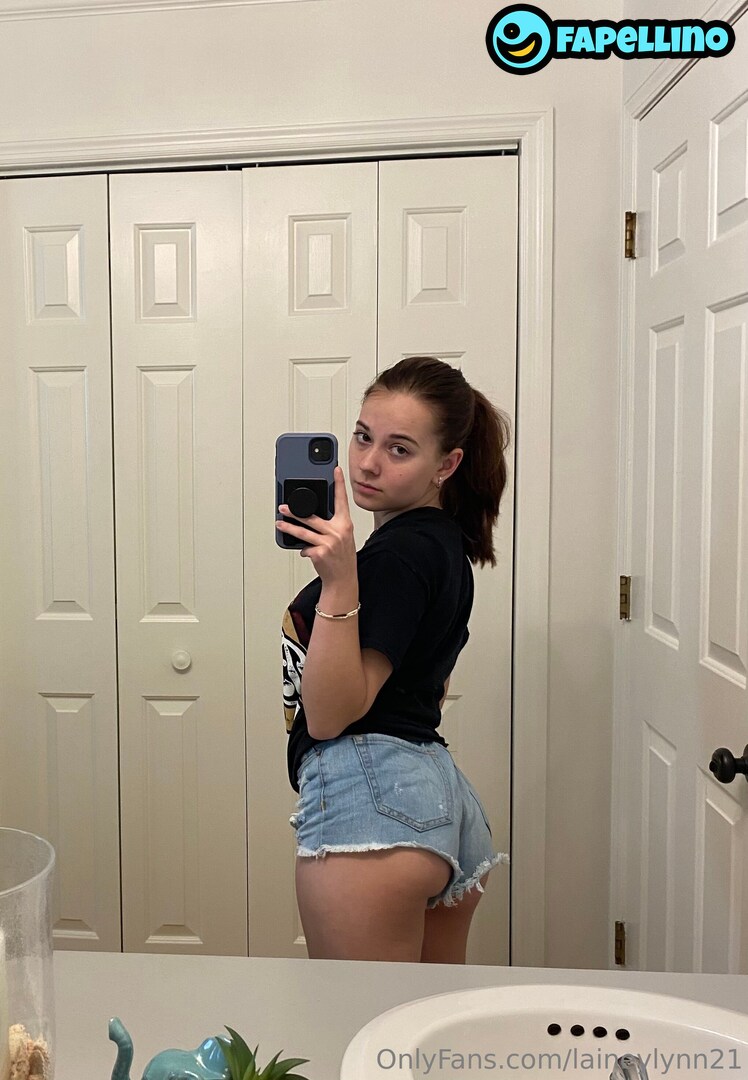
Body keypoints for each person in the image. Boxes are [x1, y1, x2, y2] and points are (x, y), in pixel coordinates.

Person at [278, 356, 511, 963]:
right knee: (425, 1020)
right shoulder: (441, 548)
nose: (367, 462)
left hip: (373, 801)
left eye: (399, 449)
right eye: (363, 437)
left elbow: (329, 716)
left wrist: (337, 581)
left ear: (447, 464)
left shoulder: (395, 557)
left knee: (359, 1019)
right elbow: (430, 686)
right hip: (437, 797)